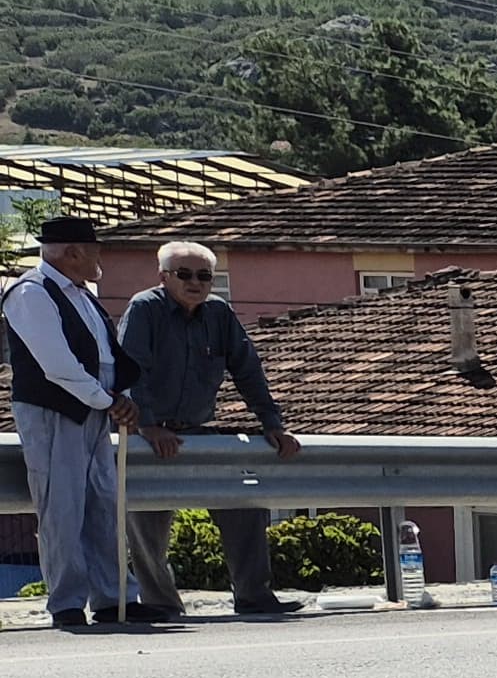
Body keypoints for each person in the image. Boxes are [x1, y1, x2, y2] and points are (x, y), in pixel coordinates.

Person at [119, 240, 306, 620]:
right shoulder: (144, 309)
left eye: (204, 276)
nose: (195, 283)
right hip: (148, 435)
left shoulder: (218, 313)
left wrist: (273, 425)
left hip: (200, 431)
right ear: (163, 277)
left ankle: (254, 595)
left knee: (245, 501)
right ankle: (161, 604)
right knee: (146, 526)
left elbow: (247, 370)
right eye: (184, 275)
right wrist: (147, 425)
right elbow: (129, 371)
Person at [8, 215, 139, 631]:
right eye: (95, 251)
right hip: (54, 411)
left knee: (102, 505)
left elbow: (106, 356)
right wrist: (107, 400)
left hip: (96, 408)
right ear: (73, 252)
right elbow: (57, 366)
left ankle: (114, 598)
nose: (100, 259)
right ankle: (66, 602)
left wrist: (122, 398)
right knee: (61, 508)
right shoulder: (31, 292)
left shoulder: (84, 295)